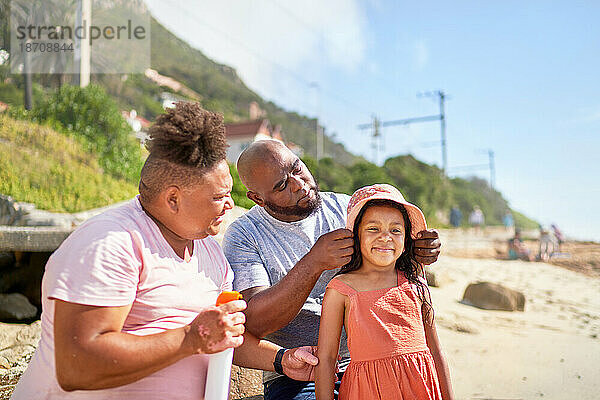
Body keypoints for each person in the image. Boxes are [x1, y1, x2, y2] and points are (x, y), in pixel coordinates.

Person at [11, 103, 317, 400]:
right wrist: (191, 338)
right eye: (219, 197)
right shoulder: (109, 244)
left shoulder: (210, 253)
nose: (230, 205)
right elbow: (77, 366)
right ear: (173, 199)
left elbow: (220, 337)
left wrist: (282, 359)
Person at [222, 139, 442, 400]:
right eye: (282, 186)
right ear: (257, 198)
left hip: (370, 358)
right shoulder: (244, 235)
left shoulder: (347, 209)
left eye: (297, 168)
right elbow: (256, 322)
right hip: (300, 372)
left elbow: (394, 257)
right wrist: (313, 263)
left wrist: (420, 248)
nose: (300, 184)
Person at [315, 184, 453, 400]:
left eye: (395, 230)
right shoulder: (340, 289)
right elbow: (327, 357)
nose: (385, 237)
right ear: (356, 236)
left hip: (421, 388)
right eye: (373, 228)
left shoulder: (416, 282)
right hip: (365, 391)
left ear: (406, 240)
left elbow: (436, 351)